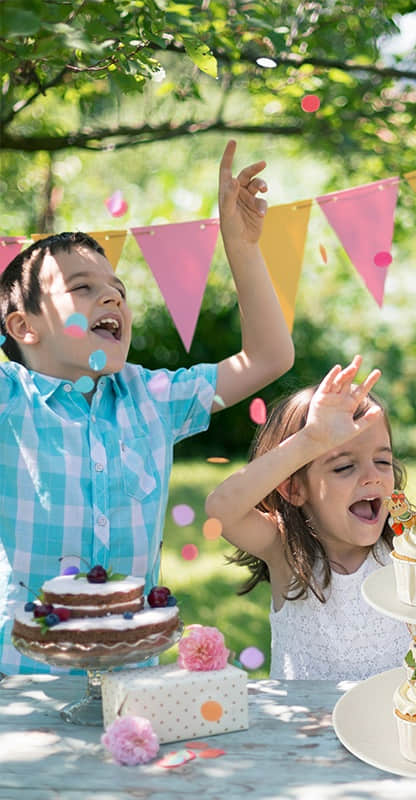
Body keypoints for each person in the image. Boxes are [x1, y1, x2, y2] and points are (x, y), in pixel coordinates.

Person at [0, 140, 295, 674]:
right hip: (21, 682)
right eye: (82, 288)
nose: (112, 298)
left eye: (117, 289)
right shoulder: (9, 398)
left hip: (133, 677)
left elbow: (268, 357)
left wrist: (243, 246)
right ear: (25, 326)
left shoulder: (151, 400)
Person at [205, 355, 409, 681]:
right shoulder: (286, 553)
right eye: (344, 466)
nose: (372, 477)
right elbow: (221, 510)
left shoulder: (411, 554)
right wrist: (310, 441)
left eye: (383, 462)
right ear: (294, 489)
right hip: (302, 730)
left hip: (390, 730)